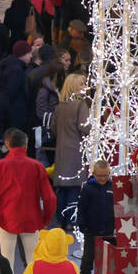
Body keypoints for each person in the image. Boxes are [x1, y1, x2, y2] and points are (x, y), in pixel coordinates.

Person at [0, 128, 57, 274]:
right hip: (32, 219)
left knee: (7, 261)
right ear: (25, 145)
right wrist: (45, 219)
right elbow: (50, 197)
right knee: (34, 262)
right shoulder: (37, 166)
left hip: (6, 218)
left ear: (7, 145)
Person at [51, 74, 90, 225]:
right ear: (74, 87)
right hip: (75, 151)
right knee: (74, 188)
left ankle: (60, 219)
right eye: (82, 84)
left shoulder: (59, 107)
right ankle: (71, 220)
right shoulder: (81, 105)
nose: (85, 87)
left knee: (62, 189)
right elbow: (85, 127)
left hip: (61, 152)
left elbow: (53, 128)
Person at [76, 160, 113, 274]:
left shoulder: (112, 186)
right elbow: (81, 207)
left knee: (108, 254)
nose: (103, 178)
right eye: (100, 175)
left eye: (106, 175)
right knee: (88, 254)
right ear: (94, 173)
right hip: (91, 227)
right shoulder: (87, 188)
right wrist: (82, 224)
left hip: (108, 227)